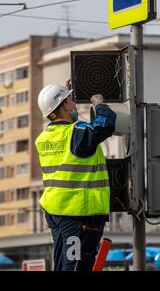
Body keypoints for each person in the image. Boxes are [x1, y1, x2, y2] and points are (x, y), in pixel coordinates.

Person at [35, 83, 116, 271]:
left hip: (55, 211)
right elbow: (105, 125)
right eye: (71, 101)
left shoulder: (44, 138)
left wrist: (62, 92)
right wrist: (99, 104)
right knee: (76, 264)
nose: (74, 106)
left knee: (63, 263)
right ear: (63, 105)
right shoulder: (75, 133)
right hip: (77, 213)